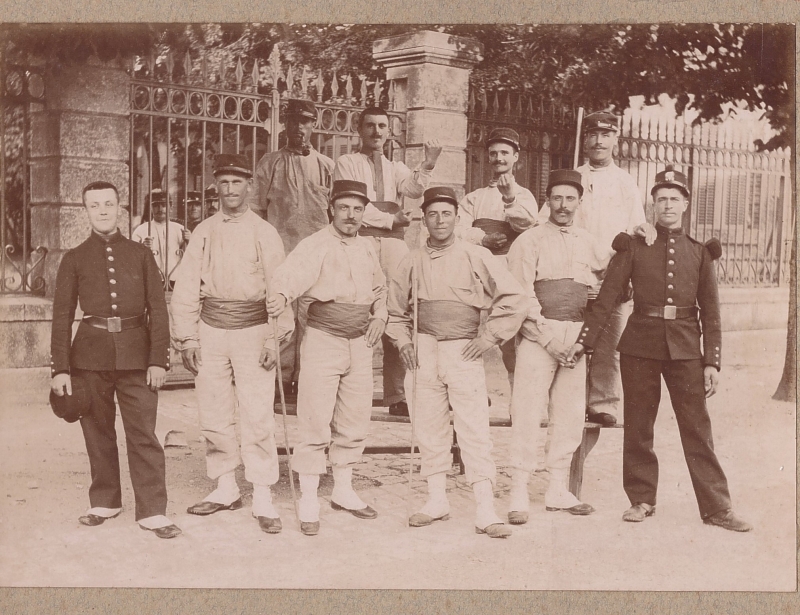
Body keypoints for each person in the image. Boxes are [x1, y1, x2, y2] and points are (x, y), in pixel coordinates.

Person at [569, 167, 753, 532]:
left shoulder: (700, 253)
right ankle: (641, 499)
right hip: (640, 345)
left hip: (686, 349)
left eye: (674, 199)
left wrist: (712, 362)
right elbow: (607, 299)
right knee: (638, 425)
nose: (667, 205)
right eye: (661, 199)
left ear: (685, 204)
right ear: (652, 204)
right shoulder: (635, 247)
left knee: (697, 427)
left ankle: (717, 507)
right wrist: (584, 341)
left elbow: (711, 313)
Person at [386, 186, 529, 539]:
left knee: (474, 427)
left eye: (446, 213)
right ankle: (436, 501)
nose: (439, 220)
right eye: (432, 214)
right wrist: (403, 340)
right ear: (424, 219)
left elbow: (514, 297)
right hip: (423, 349)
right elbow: (392, 310)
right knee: (429, 427)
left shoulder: (474, 254)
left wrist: (489, 336)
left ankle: (484, 509)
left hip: (463, 349)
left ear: (457, 217)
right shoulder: (411, 258)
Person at [170, 154, 294, 535]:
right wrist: (188, 337)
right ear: (216, 188)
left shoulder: (264, 232)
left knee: (256, 412)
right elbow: (187, 286)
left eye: (237, 182)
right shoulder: (203, 231)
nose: (230, 190)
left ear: (249, 186)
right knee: (214, 410)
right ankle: (225, 486)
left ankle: (261, 493)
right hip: (211, 331)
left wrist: (276, 339)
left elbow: (281, 288)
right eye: (223, 183)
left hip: (254, 330)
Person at [49, 180, 180, 539]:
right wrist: (60, 368)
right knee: (97, 431)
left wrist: (159, 360)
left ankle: (152, 510)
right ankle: (105, 500)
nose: (103, 211)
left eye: (109, 204)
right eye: (95, 205)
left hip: (138, 357)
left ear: (120, 207)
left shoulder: (140, 254)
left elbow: (158, 309)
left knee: (143, 433)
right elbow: (62, 316)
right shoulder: (74, 258)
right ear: (86, 210)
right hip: (89, 357)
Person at [267, 179, 387, 536]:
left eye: (357, 208)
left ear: (364, 212)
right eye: (344, 208)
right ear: (331, 209)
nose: (351, 215)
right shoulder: (315, 244)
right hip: (323, 339)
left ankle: (344, 490)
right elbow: (289, 277)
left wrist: (380, 315)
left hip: (360, 341)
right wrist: (281, 296)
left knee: (354, 418)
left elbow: (380, 288)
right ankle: (308, 497)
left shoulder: (367, 247)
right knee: (315, 418)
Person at [539, 111, 654, 426]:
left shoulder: (626, 182)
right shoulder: (571, 179)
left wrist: (633, 271)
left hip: (612, 276)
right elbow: (544, 221)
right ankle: (564, 401)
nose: (599, 141)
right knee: (568, 335)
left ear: (615, 139)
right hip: (573, 273)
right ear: (584, 139)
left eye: (606, 135)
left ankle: (603, 402)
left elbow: (637, 228)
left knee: (609, 340)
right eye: (592, 135)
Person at [335, 106, 443, 417]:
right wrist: (390, 218)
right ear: (359, 129)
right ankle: (354, 391)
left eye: (382, 126)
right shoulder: (347, 163)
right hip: (362, 241)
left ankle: (396, 394)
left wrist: (429, 161)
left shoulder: (394, 167)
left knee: (397, 311)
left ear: (388, 131)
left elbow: (413, 187)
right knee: (360, 308)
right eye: (370, 126)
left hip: (394, 246)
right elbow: (353, 206)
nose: (376, 132)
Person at [506, 169, 598, 524]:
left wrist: (580, 339)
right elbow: (519, 292)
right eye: (557, 198)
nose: (563, 205)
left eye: (570, 198)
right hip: (537, 334)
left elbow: (599, 288)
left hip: (575, 338)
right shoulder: (529, 240)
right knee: (528, 409)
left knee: (570, 413)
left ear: (579, 201)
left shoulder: (588, 242)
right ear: (547, 200)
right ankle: (518, 489)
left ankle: (558, 488)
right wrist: (546, 337)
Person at [248, 99, 335, 397]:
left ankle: (307, 379)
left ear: (314, 124)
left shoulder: (326, 165)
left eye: (306, 121)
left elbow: (335, 214)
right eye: (294, 121)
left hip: (315, 257)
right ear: (285, 123)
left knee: (312, 317)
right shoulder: (269, 163)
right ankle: (281, 382)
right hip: (280, 253)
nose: (299, 127)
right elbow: (256, 209)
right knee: (282, 315)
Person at [458, 127, 540, 386]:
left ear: (516, 157)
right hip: (479, 270)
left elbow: (527, 225)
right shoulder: (475, 197)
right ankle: (474, 390)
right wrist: (483, 239)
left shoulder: (524, 195)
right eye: (493, 153)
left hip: (511, 269)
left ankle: (518, 391)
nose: (498, 158)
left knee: (512, 332)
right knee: (474, 328)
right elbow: (459, 230)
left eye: (505, 153)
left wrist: (509, 199)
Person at [131, 189, 190, 288]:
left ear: (170, 207)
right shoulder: (141, 230)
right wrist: (142, 247)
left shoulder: (180, 229)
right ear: (151, 208)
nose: (160, 209)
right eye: (156, 205)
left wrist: (189, 240)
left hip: (176, 279)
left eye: (164, 205)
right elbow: (132, 257)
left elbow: (191, 256)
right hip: (150, 280)